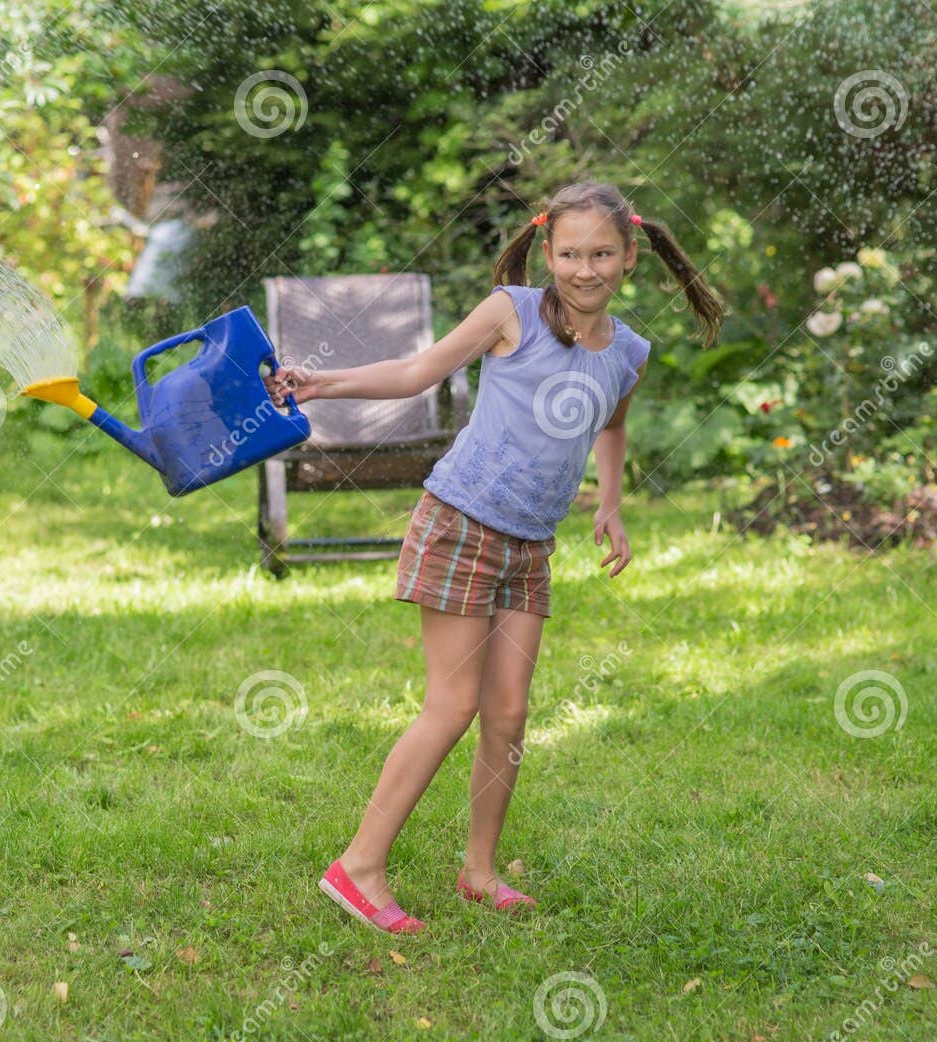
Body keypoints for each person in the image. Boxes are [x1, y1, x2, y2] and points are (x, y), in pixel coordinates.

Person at [265, 180, 724, 933]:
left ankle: (478, 871)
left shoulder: (630, 351)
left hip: (530, 544)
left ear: (630, 256)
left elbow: (610, 425)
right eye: (570, 253)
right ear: (547, 252)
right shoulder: (510, 313)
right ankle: (358, 867)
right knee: (452, 706)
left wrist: (609, 503)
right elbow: (420, 371)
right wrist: (324, 384)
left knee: (508, 714)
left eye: (601, 253)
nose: (585, 268)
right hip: (461, 524)